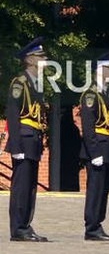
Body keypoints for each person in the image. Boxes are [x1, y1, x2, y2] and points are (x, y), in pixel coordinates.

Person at [5, 37, 49, 242]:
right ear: (30, 60)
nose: (45, 59)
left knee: (30, 186)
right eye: (41, 56)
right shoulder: (19, 83)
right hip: (23, 138)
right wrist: (15, 145)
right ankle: (18, 228)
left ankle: (26, 224)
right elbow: (13, 113)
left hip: (33, 139)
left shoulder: (36, 84)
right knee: (21, 186)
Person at [79, 52, 109, 241]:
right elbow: (88, 127)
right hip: (97, 149)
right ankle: (91, 227)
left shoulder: (106, 93)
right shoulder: (90, 94)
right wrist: (94, 152)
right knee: (95, 190)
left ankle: (98, 224)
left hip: (107, 147)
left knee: (103, 190)